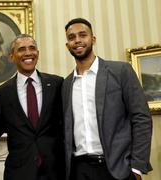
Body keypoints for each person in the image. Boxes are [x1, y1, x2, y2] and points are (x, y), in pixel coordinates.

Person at [62, 18, 153, 180]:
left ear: (93, 39)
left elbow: (142, 118)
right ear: (67, 45)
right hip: (79, 170)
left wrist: (137, 167)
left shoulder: (121, 71)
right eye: (71, 37)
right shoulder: (66, 84)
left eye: (82, 35)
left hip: (118, 169)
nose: (77, 40)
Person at [0, 34, 65, 180]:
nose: (28, 53)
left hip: (55, 170)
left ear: (38, 54)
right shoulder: (2, 93)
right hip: (19, 172)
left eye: (32, 48)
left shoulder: (57, 84)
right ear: (11, 56)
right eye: (21, 49)